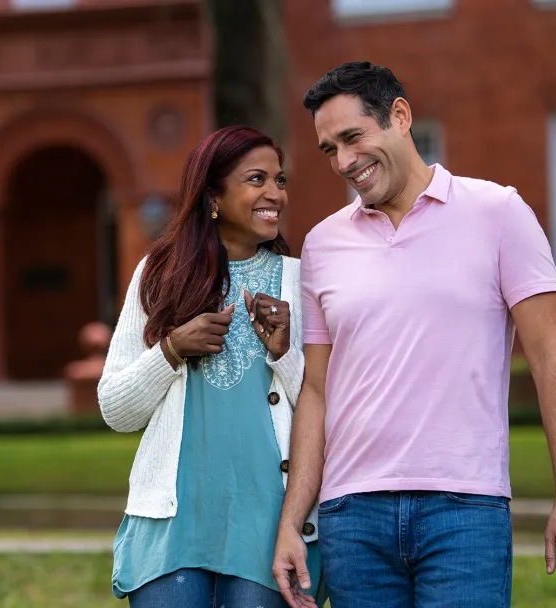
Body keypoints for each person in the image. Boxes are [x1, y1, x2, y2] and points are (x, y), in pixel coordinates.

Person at [271, 61, 556, 608]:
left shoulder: (499, 213)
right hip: (352, 515)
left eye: (353, 137)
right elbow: (317, 390)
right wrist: (292, 521)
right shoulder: (323, 244)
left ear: (399, 117)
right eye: (330, 149)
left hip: (464, 511)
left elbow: (549, 357)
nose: (345, 161)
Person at [98, 125, 323, 608]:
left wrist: (284, 354)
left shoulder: (301, 282)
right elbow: (115, 408)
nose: (274, 194)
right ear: (213, 196)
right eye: (256, 179)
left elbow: (323, 404)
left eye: (280, 181)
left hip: (268, 526)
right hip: (173, 526)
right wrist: (172, 349)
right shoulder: (160, 275)